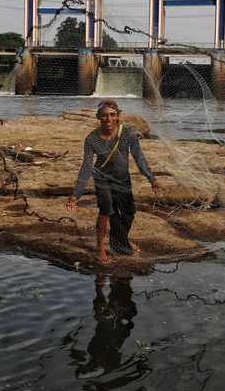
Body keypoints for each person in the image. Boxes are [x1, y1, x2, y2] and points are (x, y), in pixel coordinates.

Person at [65, 99, 162, 266]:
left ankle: (122, 240)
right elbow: (87, 167)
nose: (108, 119)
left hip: (122, 178)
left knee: (129, 213)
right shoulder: (91, 139)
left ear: (118, 116)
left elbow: (139, 158)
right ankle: (101, 249)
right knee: (106, 209)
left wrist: (152, 179)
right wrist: (76, 194)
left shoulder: (128, 134)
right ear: (98, 117)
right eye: (104, 116)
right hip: (102, 178)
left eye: (112, 115)